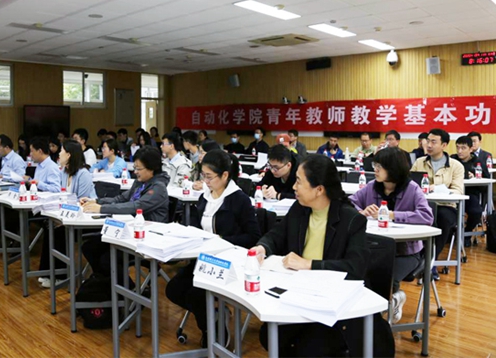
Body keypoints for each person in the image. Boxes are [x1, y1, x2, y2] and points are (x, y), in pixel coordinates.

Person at [251, 155, 370, 356]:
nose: (294, 187)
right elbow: (277, 235)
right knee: (269, 335)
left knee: (309, 347)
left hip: (330, 303)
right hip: (298, 293)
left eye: (299, 181)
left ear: (319, 189)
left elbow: (355, 267)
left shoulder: (351, 219)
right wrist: (262, 248)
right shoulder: (300, 209)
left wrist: (309, 264)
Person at [166, 150, 260, 346]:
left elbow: (253, 237)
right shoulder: (205, 197)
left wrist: (221, 240)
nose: (205, 181)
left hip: (229, 262)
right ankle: (214, 316)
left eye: (209, 177)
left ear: (225, 175)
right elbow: (197, 224)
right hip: (204, 259)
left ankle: (213, 328)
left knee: (196, 294)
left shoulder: (239, 200)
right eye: (203, 176)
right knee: (173, 289)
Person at [349, 147, 433, 322]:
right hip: (375, 249)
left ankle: (379, 316)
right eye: (375, 165)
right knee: (359, 274)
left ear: (393, 168)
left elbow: (426, 216)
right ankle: (376, 313)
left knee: (385, 278)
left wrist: (394, 215)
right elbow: (349, 204)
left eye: (380, 166)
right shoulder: (372, 186)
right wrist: (361, 211)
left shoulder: (412, 189)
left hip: (406, 253)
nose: (375, 170)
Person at [80, 147, 169, 281]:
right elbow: (122, 198)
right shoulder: (140, 182)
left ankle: (124, 289)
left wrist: (101, 209)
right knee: (89, 247)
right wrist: (97, 201)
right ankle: (106, 283)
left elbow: (135, 206)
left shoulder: (158, 188)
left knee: (107, 259)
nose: (135, 172)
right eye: (135, 168)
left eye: (139, 169)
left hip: (145, 237)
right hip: (128, 232)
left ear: (152, 168)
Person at [38, 140, 97, 287]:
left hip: (85, 218)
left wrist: (63, 219)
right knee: (49, 226)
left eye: (61, 151)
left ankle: (60, 275)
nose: (59, 154)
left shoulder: (83, 174)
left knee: (58, 230)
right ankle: (47, 272)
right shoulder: (64, 172)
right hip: (68, 215)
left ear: (69, 155)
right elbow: (62, 195)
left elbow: (82, 203)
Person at [410, 128, 464, 280]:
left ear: (444, 145)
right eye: (427, 141)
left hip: (445, 206)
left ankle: (429, 263)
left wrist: (438, 188)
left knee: (442, 218)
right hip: (422, 206)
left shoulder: (455, 166)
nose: (428, 145)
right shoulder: (419, 162)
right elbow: (409, 185)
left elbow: (458, 191)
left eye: (433, 142)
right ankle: (418, 261)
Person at [451, 136, 484, 247]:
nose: (459, 151)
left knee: (476, 212)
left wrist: (475, 177)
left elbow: (485, 186)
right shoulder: (452, 160)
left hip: (470, 195)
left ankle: (466, 233)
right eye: (457, 147)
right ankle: (451, 232)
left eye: (463, 148)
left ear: (471, 149)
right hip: (453, 194)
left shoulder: (477, 162)